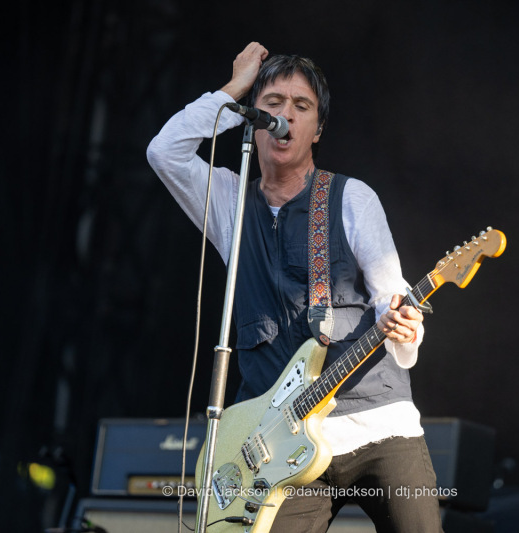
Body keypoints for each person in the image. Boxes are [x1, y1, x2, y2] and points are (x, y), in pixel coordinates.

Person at [147, 42, 443, 533]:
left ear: (317, 129)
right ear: (251, 119)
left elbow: (392, 300)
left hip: (376, 423)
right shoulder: (228, 202)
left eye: (301, 107)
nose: (285, 116)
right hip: (281, 446)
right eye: (272, 105)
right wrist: (233, 91)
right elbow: (164, 151)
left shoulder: (353, 199)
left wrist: (406, 330)